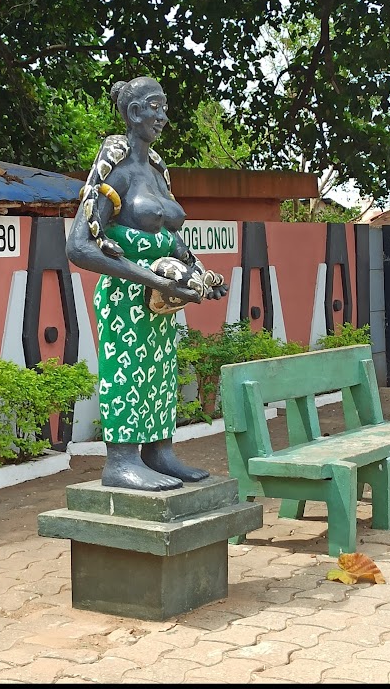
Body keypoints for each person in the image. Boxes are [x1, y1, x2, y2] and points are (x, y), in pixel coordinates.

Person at [66, 76, 228, 491]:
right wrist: (150, 277)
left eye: (165, 107)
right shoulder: (112, 168)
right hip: (124, 296)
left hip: (160, 301)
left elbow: (171, 239)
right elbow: (80, 246)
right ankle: (120, 461)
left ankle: (159, 452)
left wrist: (200, 274)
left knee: (160, 372)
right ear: (134, 112)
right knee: (127, 371)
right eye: (156, 107)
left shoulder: (156, 170)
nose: (163, 116)